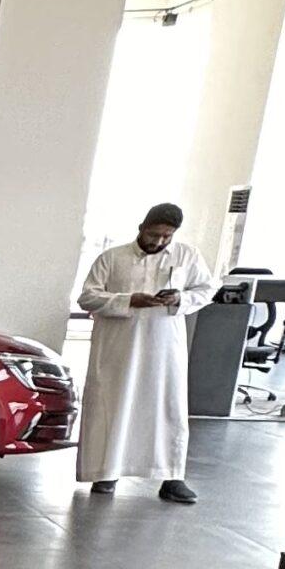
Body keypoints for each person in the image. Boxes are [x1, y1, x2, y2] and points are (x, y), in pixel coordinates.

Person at [76, 202, 216, 503]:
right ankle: (106, 472)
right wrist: (129, 301)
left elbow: (206, 290)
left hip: (164, 350)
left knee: (167, 407)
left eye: (167, 236)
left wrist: (180, 298)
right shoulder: (112, 258)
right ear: (141, 228)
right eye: (154, 234)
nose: (159, 241)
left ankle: (171, 476)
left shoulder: (187, 256)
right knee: (113, 406)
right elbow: (87, 297)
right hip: (119, 349)